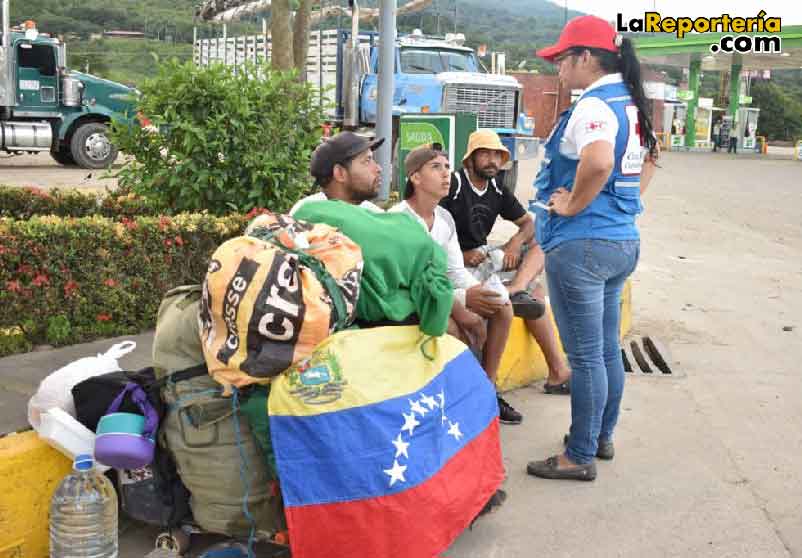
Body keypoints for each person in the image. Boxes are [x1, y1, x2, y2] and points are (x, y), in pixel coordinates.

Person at [525, 15, 659, 481]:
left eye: (562, 59)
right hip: (621, 242)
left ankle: (578, 455)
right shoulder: (633, 103)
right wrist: (627, 204)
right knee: (603, 351)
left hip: (582, 248)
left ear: (585, 57)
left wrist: (572, 206)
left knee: (584, 358)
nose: (558, 69)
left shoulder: (594, 105)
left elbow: (599, 160)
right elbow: (653, 159)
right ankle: (600, 437)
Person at [390, 144, 523, 425]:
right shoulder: (398, 218)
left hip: (443, 292)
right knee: (453, 328)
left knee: (503, 307)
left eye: (447, 167)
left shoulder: (444, 218)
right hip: (413, 300)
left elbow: (455, 272)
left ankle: (487, 390)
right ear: (415, 178)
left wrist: (477, 291)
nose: (446, 174)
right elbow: (410, 282)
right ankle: (458, 400)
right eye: (436, 167)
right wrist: (463, 300)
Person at [440, 129, 572, 394]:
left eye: (497, 155)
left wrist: (514, 242)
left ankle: (516, 288)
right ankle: (558, 371)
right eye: (485, 154)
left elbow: (528, 224)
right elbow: (431, 233)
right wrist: (461, 255)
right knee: (537, 294)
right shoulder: (453, 186)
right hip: (456, 266)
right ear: (470, 159)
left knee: (541, 243)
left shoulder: (497, 187)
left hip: (484, 258)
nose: (492, 161)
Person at [290, 131, 385, 216]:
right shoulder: (307, 215)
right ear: (340, 173)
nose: (378, 168)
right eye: (367, 161)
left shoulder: (373, 212)